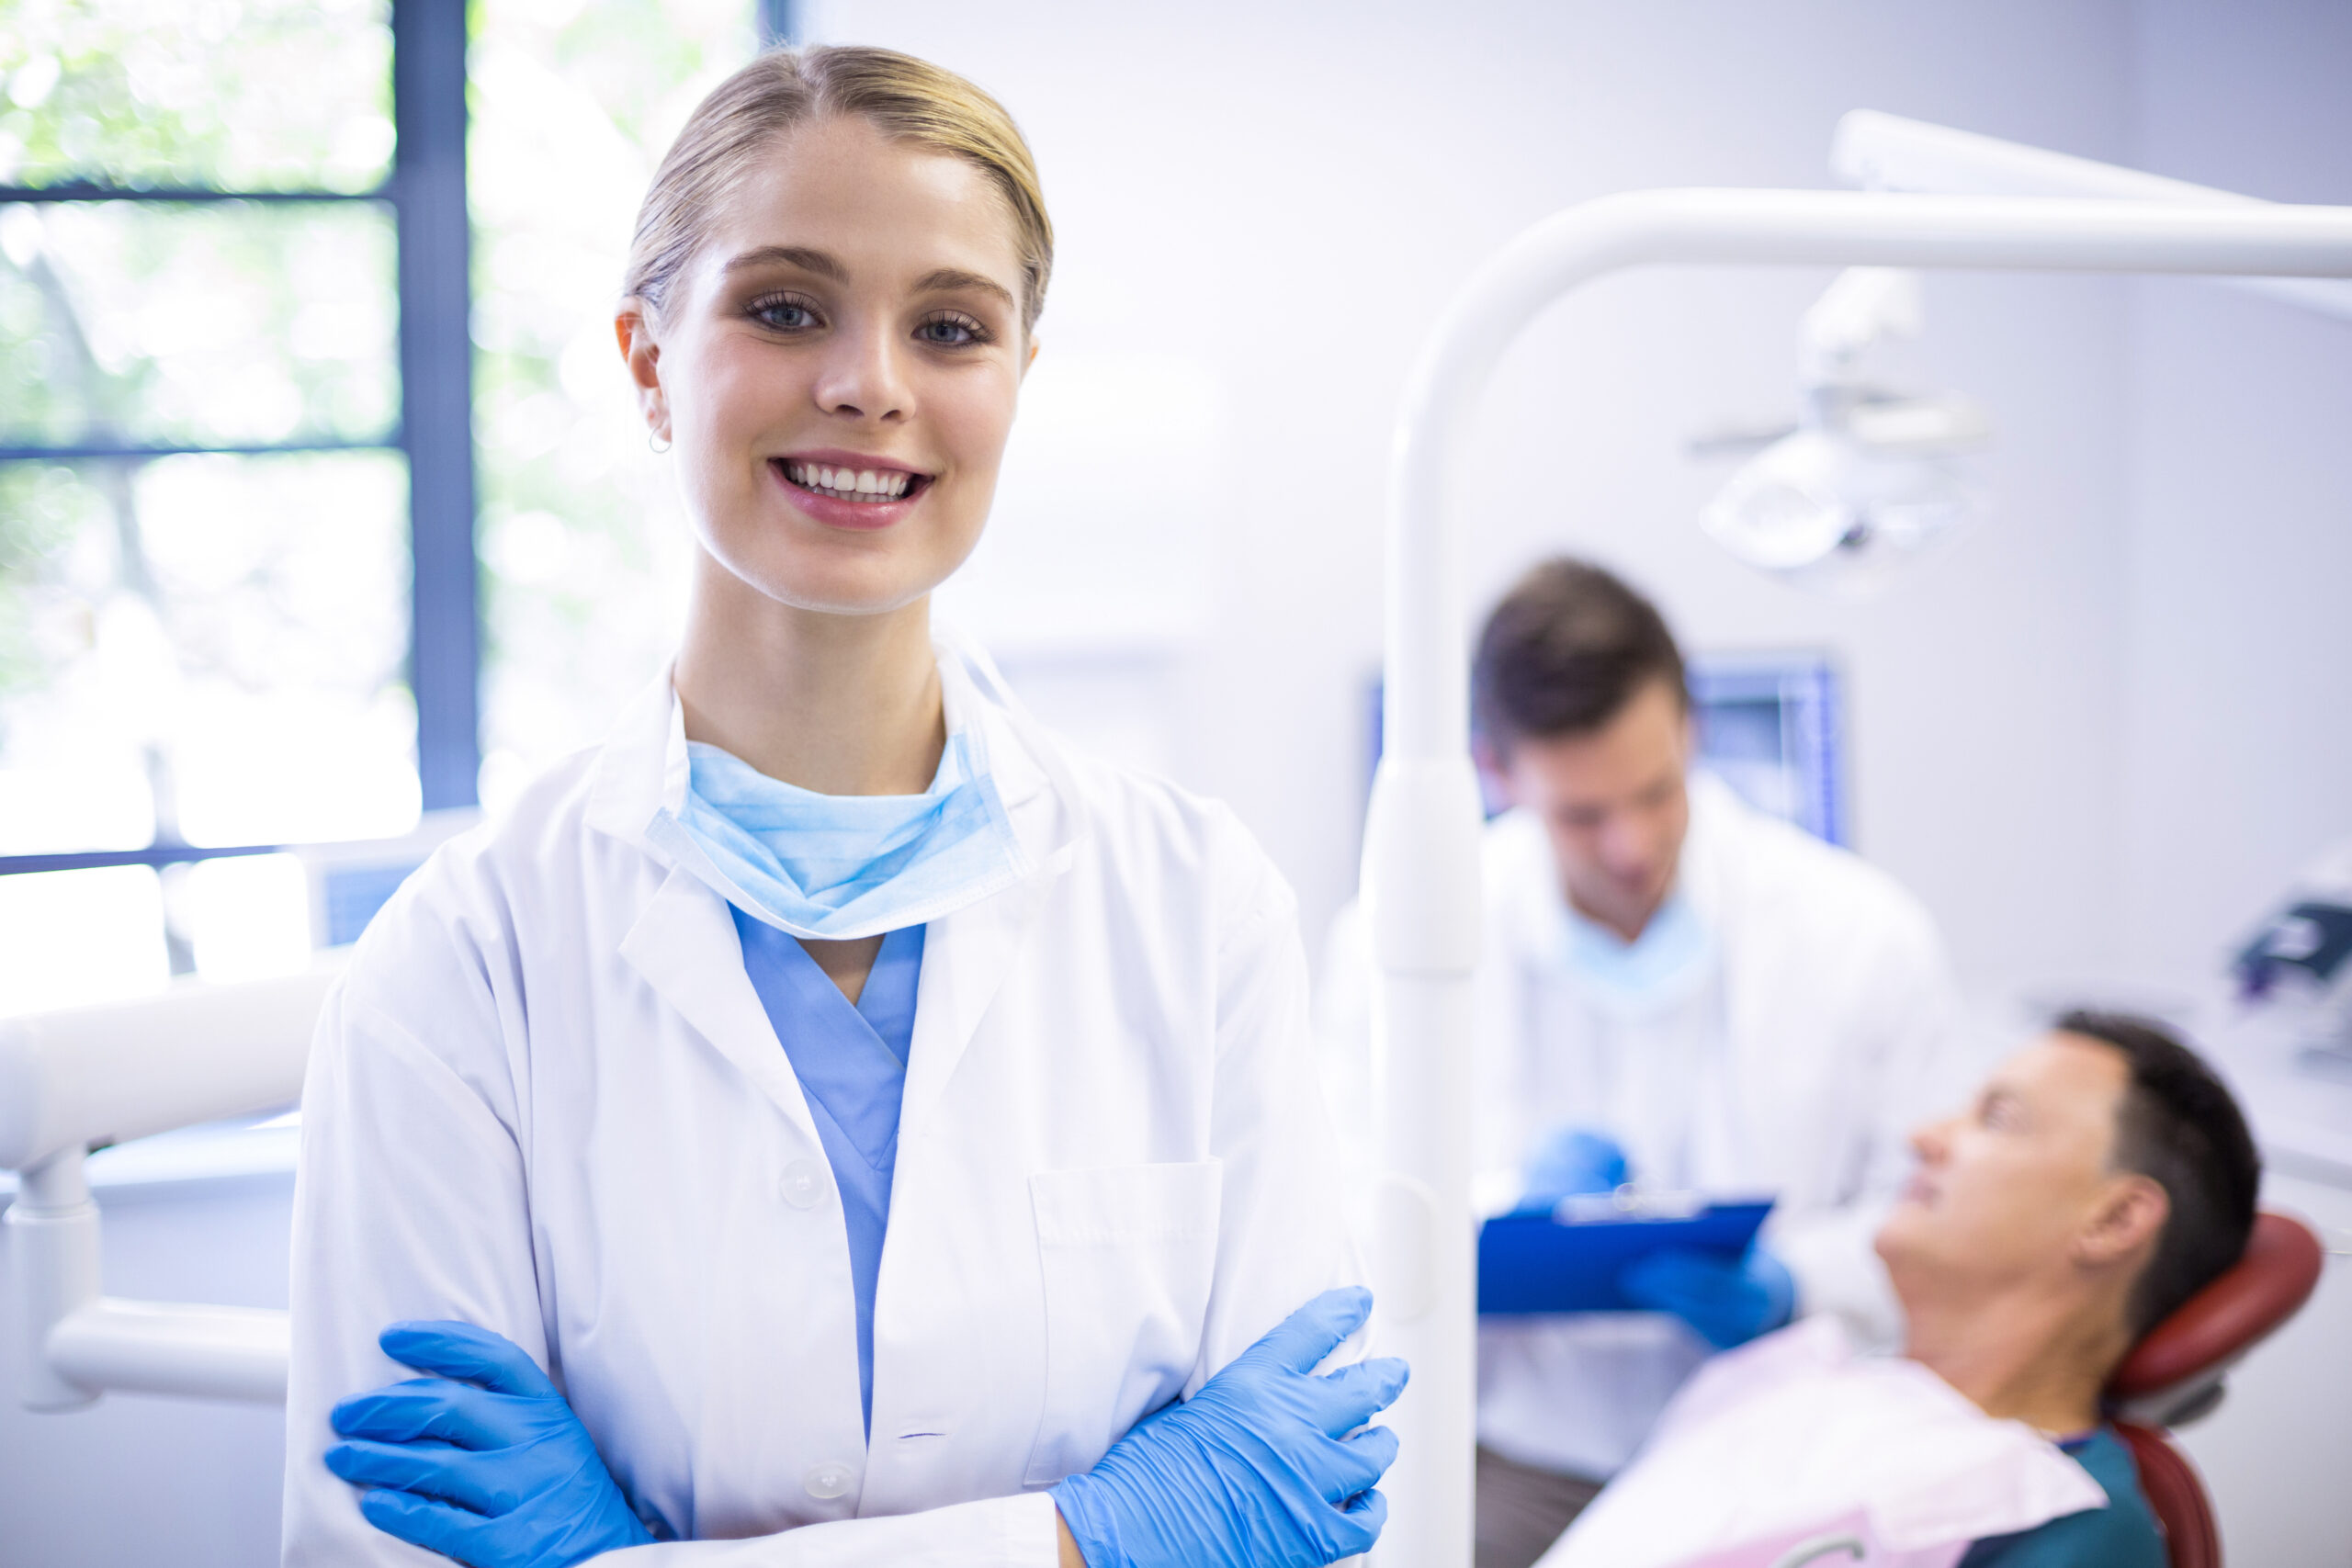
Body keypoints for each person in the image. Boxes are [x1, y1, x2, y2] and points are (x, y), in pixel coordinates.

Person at [282, 46, 1404, 1568]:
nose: (870, 382)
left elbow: (1302, 1522)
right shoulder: (461, 969)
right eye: (787, 306)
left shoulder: (1197, 910)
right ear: (646, 359)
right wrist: (1092, 1542)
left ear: (1014, 381)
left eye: (950, 326)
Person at [1319, 558, 1963, 1568]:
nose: (1631, 845)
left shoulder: (1862, 937)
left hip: (1785, 1446)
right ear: (1494, 771)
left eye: (1656, 792)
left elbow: (1934, 1223)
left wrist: (1797, 1280)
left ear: (1691, 725)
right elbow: (1336, 1215)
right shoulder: (1394, 950)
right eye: (1583, 814)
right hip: (1524, 1464)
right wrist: (1485, 1222)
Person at [1535, 1011, 2263, 1568]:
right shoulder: (1801, 1383)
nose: (1925, 1136)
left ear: (2114, 1219)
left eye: (1998, 1118)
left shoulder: (2067, 1522)